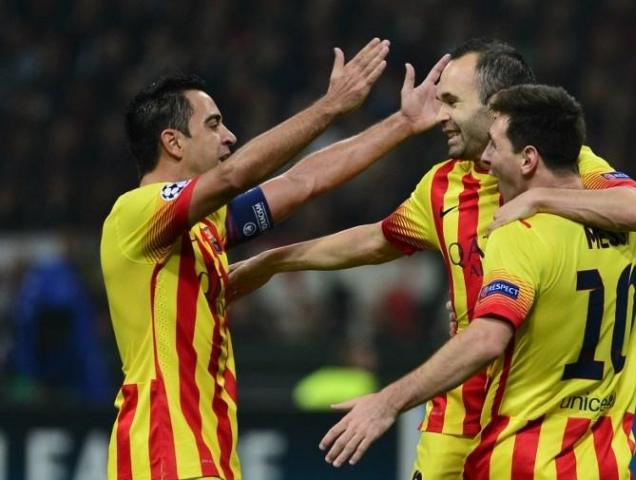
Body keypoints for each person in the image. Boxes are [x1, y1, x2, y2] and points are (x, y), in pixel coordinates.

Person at [227, 39, 636, 478]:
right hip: (459, 409)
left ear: (497, 110)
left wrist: (538, 200)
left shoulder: (570, 168)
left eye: (451, 101)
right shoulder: (443, 185)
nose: (440, 116)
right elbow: (378, 239)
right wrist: (278, 260)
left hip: (533, 403)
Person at [100, 38, 450, 480]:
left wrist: (402, 123)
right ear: (173, 141)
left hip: (206, 452)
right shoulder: (137, 213)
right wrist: (329, 107)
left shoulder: (205, 225)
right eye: (213, 125)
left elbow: (302, 182)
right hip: (163, 454)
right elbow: (233, 175)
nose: (229, 136)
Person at [320, 84, 636, 478]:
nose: (486, 159)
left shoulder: (520, 230)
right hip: (606, 462)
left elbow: (488, 339)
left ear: (528, 159)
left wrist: (388, 402)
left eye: (494, 146)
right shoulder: (629, 229)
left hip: (522, 462)